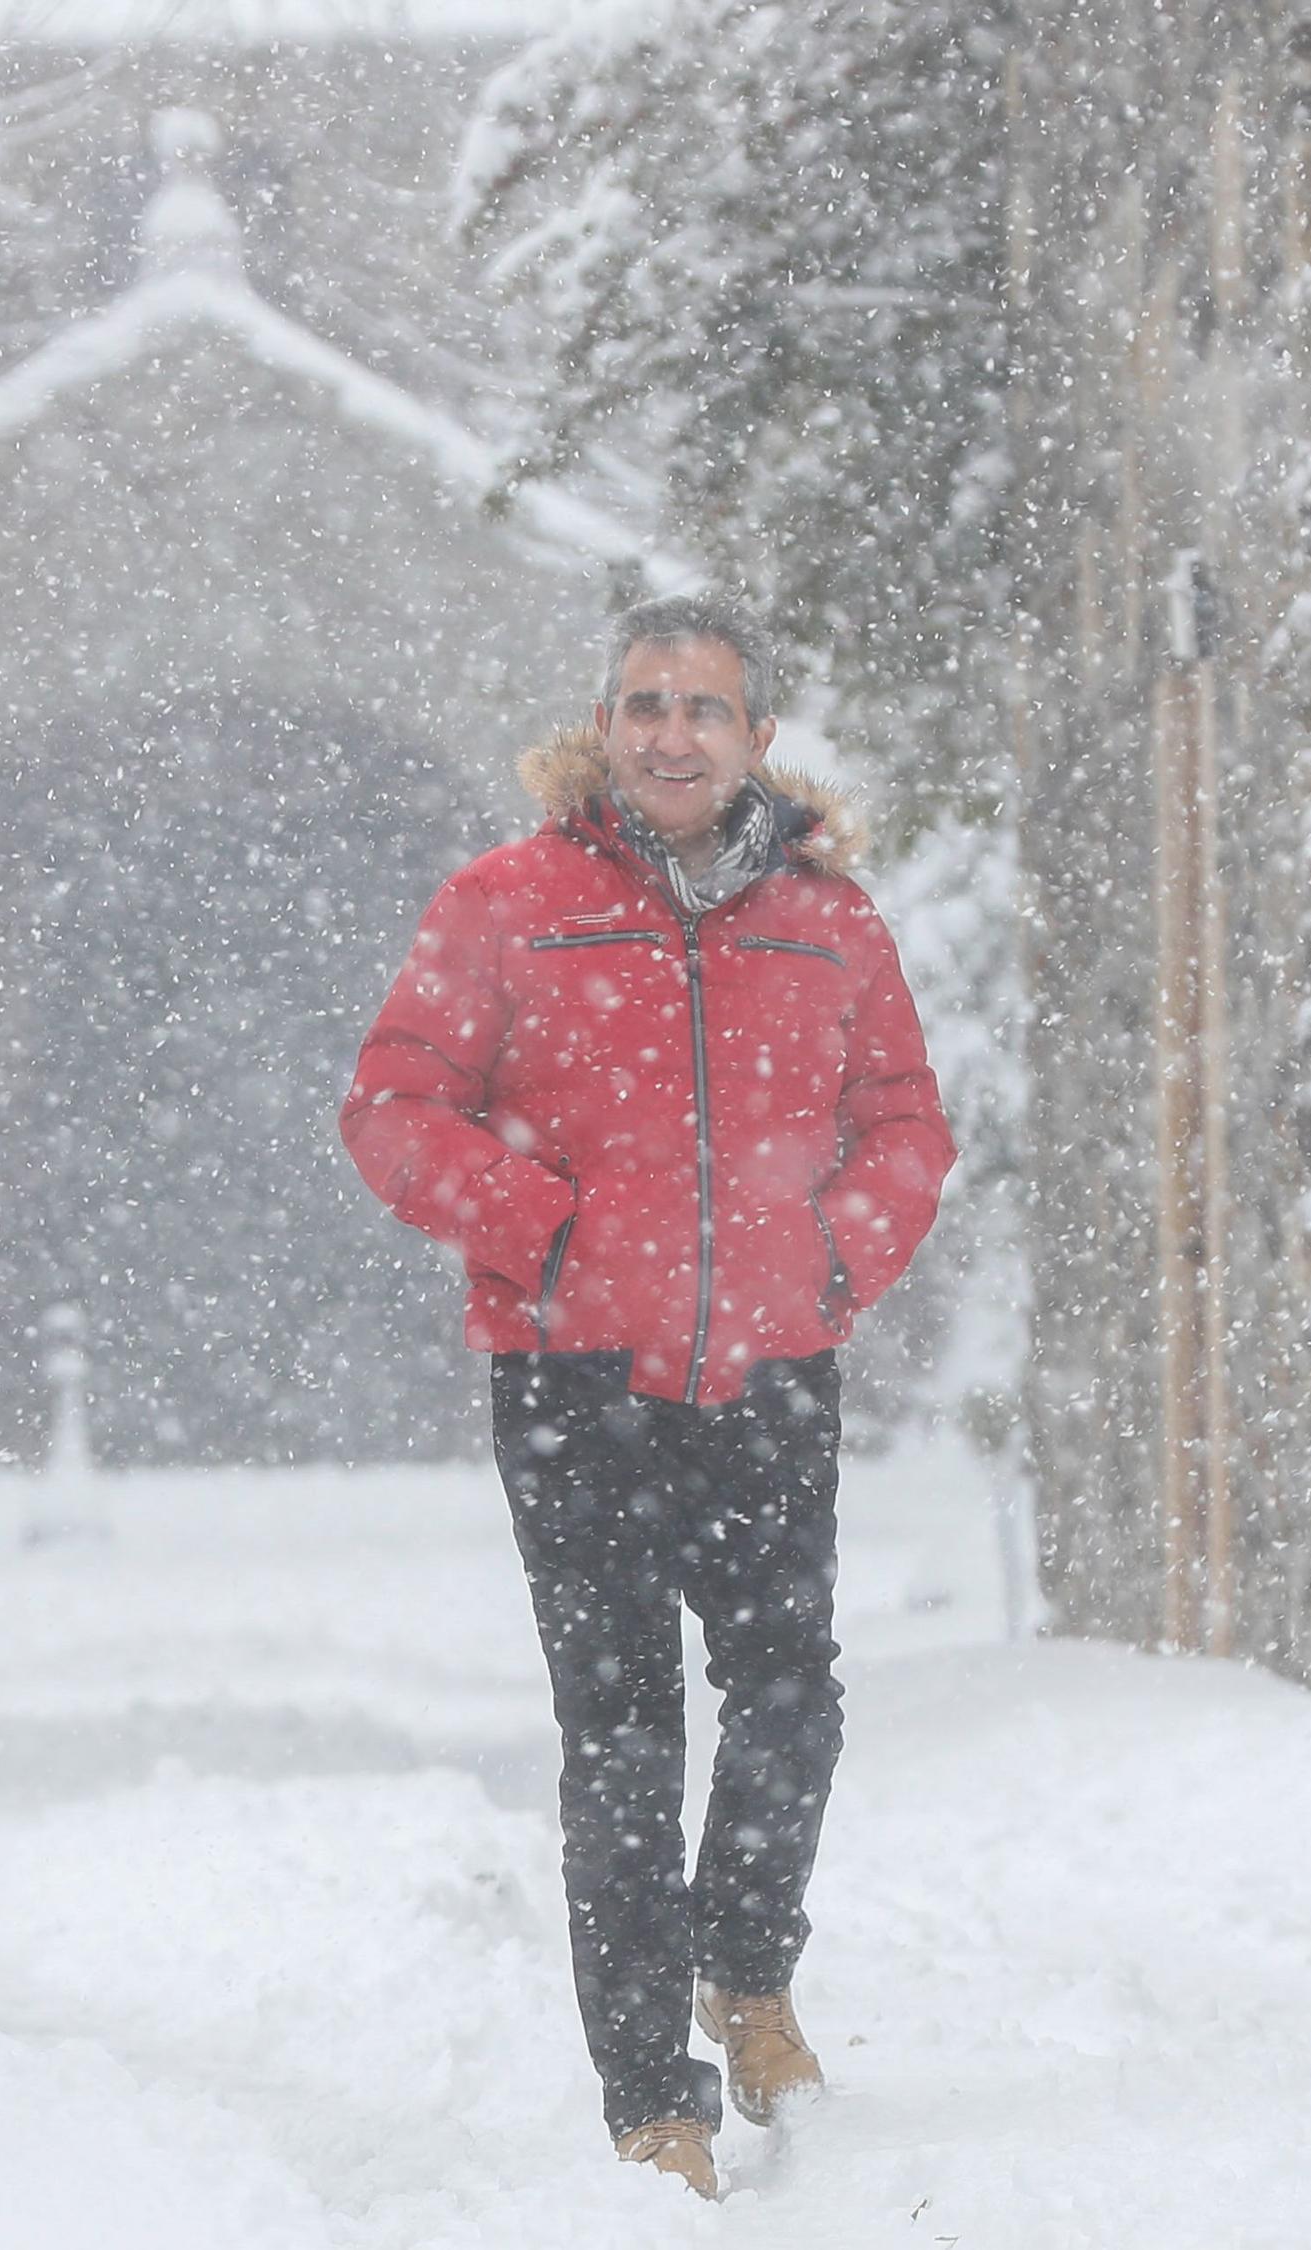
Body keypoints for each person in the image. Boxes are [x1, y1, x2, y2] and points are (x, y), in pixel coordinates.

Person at [337, 592, 954, 2197]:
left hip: (770, 1365)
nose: (671, 732)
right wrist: (545, 1235)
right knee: (617, 1732)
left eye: (703, 707)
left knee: (791, 1693)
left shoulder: (830, 919)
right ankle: (650, 2099)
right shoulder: (506, 903)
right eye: (644, 704)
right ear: (605, 726)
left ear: (758, 737)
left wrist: (831, 1259)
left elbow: (905, 1124)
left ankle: (745, 1969)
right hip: (575, 1376)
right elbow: (394, 1107)